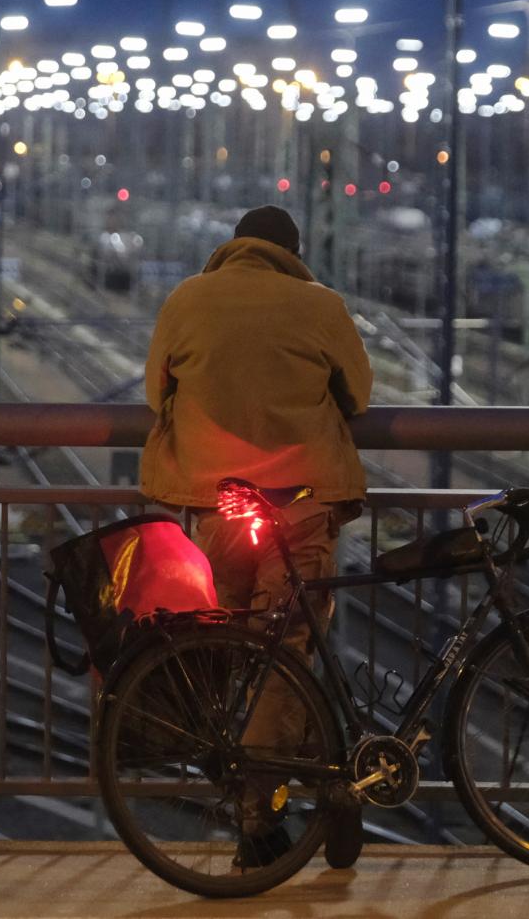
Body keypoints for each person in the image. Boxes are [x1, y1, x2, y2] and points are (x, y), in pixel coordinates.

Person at [140, 205, 373, 867]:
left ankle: (304, 781)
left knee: (234, 644)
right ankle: (262, 814)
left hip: (218, 507)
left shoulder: (186, 299)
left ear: (234, 246)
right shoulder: (319, 304)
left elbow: (158, 392)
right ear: (292, 253)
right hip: (297, 505)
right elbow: (358, 393)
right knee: (285, 651)